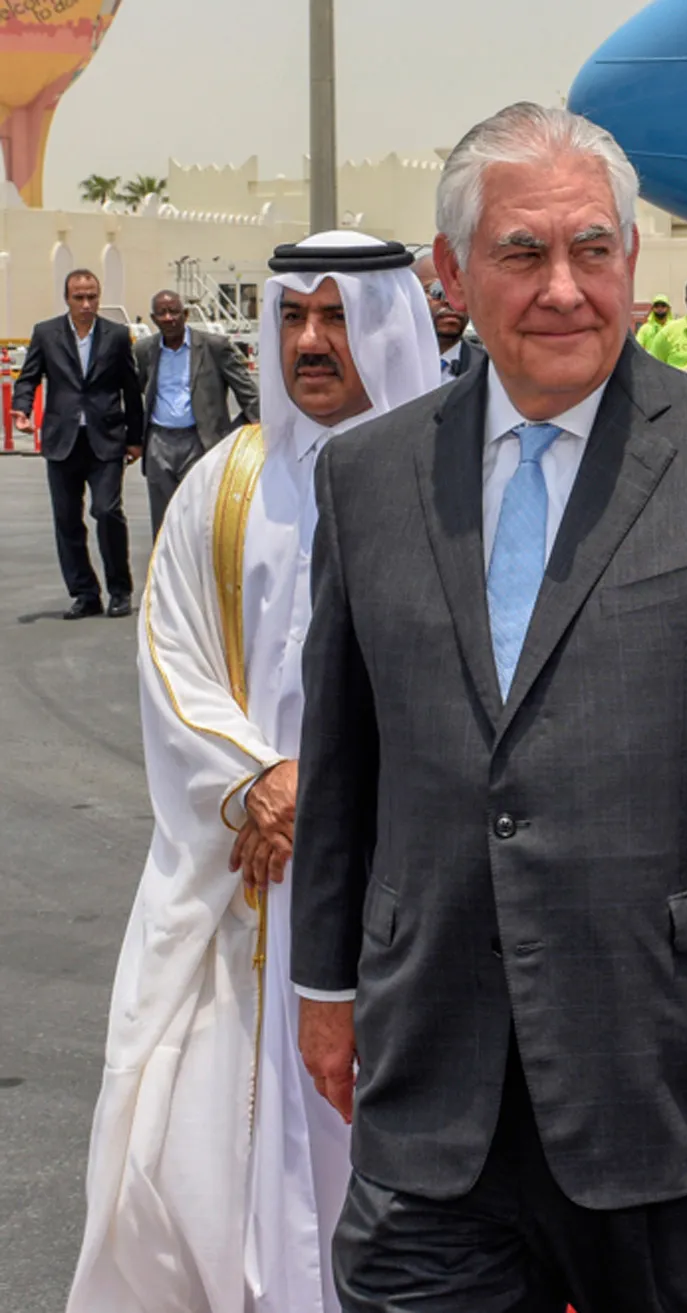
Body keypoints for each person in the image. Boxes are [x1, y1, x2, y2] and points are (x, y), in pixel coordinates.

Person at [289, 102, 687, 1312]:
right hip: (432, 1084)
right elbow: (344, 757)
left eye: (594, 250)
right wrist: (325, 986)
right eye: (522, 253)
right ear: (450, 272)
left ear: (629, 258)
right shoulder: (366, 473)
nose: (565, 288)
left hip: (669, 1080)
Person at [66, 231, 438, 1313]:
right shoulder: (225, 485)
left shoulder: (449, 487)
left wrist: (329, 798)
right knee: (209, 1159)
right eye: (292, 318)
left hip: (399, 886)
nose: (311, 341)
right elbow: (171, 657)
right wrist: (259, 781)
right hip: (249, 879)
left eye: (337, 316)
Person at [13, 268, 145, 618]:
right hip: (62, 440)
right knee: (67, 519)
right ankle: (85, 593)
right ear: (67, 298)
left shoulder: (117, 335)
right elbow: (29, 377)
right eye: (79, 297)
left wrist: (135, 438)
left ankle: (119, 590)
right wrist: (21, 410)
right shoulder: (46, 333)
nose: (87, 304)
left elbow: (130, 389)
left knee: (107, 511)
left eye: (92, 297)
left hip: (106, 440)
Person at [133, 288, 260, 536]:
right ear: (153, 318)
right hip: (159, 443)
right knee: (164, 523)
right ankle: (165, 573)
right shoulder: (144, 351)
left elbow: (249, 395)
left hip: (201, 443)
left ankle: (201, 575)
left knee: (202, 521)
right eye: (162, 313)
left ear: (186, 314)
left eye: (174, 312)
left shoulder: (214, 347)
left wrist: (233, 437)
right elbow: (137, 392)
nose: (169, 318)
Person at [413, 248, 487, 380]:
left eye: (461, 291)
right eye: (436, 291)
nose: (450, 301)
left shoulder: (491, 371)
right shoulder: (381, 365)